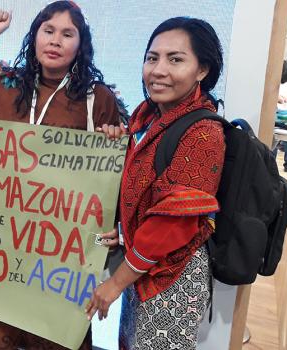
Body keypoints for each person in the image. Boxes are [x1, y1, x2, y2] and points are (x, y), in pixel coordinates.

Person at [0, 2, 122, 349]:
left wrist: (113, 139)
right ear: (35, 36)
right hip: (8, 243)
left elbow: (110, 180)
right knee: (5, 336)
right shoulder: (8, 84)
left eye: (67, 33)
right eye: (48, 30)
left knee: (55, 337)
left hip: (60, 253)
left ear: (80, 44)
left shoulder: (96, 98)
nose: (56, 40)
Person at [87, 17, 226, 350]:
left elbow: (171, 225)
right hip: (143, 271)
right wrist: (115, 142)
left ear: (202, 70)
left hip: (170, 282)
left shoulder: (204, 134)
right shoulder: (149, 116)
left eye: (175, 59)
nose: (159, 70)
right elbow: (145, 191)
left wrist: (115, 284)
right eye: (153, 58)